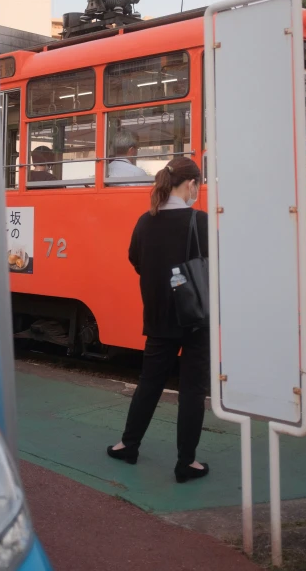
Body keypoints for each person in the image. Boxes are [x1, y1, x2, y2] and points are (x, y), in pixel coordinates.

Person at [107, 157, 209, 483]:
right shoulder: (199, 220)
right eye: (199, 186)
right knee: (192, 390)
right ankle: (186, 463)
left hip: (158, 315)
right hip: (194, 317)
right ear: (191, 184)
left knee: (150, 383)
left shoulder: (145, 221)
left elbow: (135, 260)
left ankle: (128, 445)